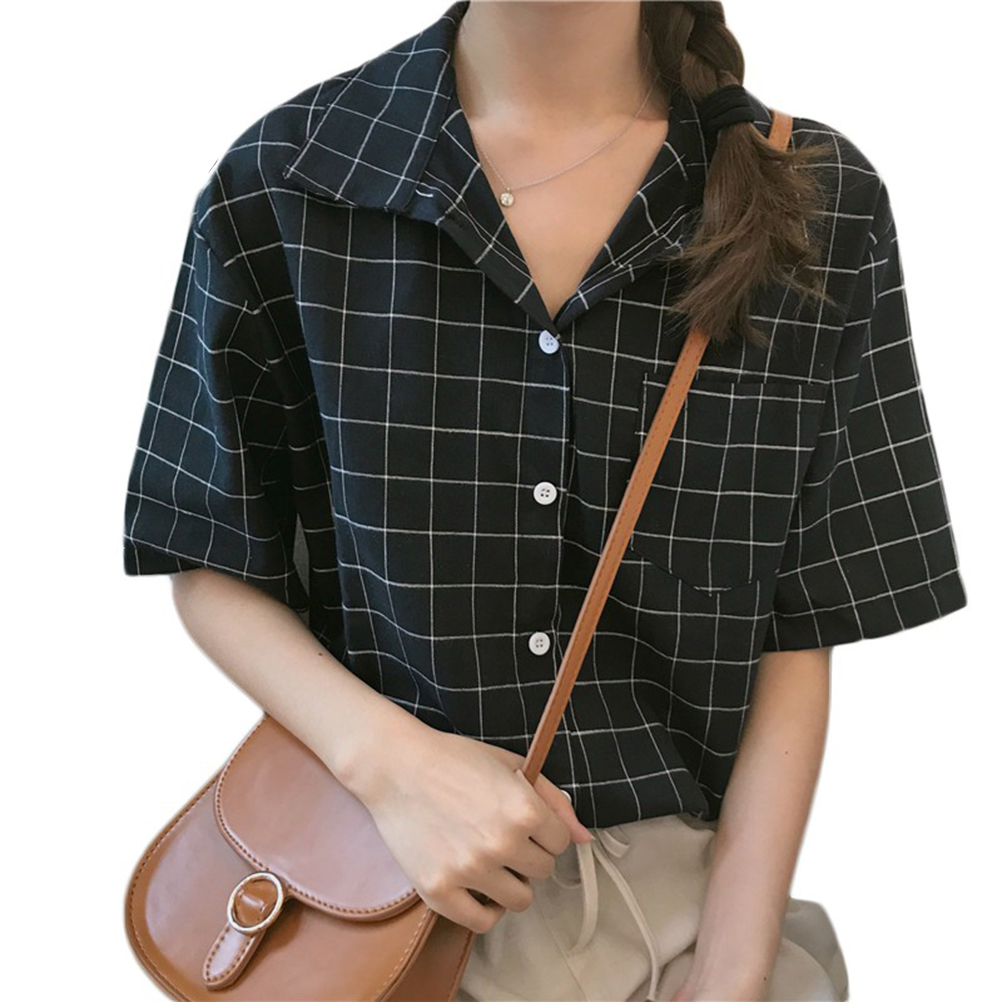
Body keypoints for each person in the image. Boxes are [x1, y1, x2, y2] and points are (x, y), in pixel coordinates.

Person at [121, 2, 968, 999]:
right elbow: (210, 556)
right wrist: (393, 768)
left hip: (689, 934)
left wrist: (733, 968)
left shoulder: (816, 201)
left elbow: (802, 618)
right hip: (374, 910)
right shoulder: (292, 179)